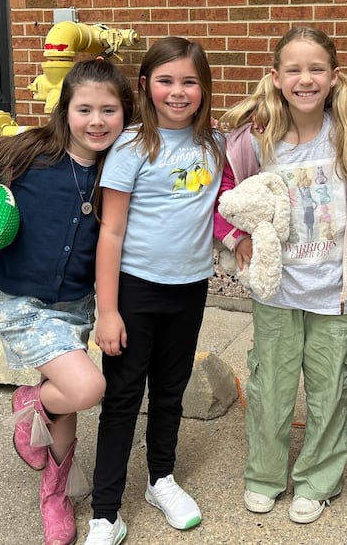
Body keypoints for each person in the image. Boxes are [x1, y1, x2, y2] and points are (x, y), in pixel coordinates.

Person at [0, 58, 132, 545]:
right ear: (65, 110)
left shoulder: (120, 168)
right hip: (19, 300)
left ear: (126, 113)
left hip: (75, 303)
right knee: (84, 388)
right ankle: (30, 402)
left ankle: (55, 493)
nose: (97, 121)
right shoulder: (30, 151)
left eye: (109, 110)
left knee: (66, 396)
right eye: (84, 109)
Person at [214, 27, 347, 525]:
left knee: (329, 390)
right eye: (294, 70)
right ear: (276, 77)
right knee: (271, 388)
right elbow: (223, 196)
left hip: (333, 290)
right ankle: (264, 476)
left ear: (334, 77)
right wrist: (235, 238)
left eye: (317, 69)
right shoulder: (254, 139)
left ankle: (317, 480)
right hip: (276, 289)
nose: (306, 79)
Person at [85, 36, 225, 545]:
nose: (178, 92)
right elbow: (111, 231)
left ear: (204, 88)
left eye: (190, 81)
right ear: (146, 86)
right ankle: (106, 512)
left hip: (189, 288)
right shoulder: (130, 146)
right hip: (135, 290)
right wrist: (107, 310)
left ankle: (160, 479)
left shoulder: (216, 143)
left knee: (170, 391)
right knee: (123, 397)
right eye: (166, 81)